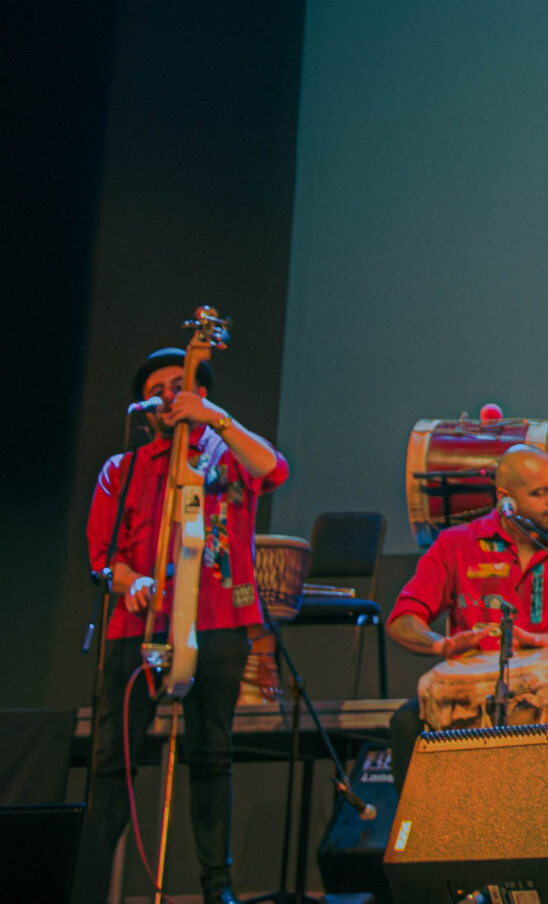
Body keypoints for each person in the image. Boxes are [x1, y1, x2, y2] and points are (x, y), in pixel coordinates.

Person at [74, 347, 289, 904]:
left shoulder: (226, 452)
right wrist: (131, 583)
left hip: (218, 620)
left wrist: (213, 418)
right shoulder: (121, 469)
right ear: (147, 406)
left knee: (211, 755)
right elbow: (103, 556)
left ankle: (217, 888)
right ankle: (86, 885)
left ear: (199, 394)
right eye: (160, 389)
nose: (169, 396)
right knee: (110, 762)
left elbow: (274, 468)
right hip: (135, 627)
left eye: (180, 386)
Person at [383, 444, 548, 788]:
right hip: (471, 692)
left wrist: (544, 641)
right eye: (540, 492)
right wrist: (443, 646)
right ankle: (417, 837)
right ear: (505, 498)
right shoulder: (457, 544)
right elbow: (402, 620)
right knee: (406, 724)